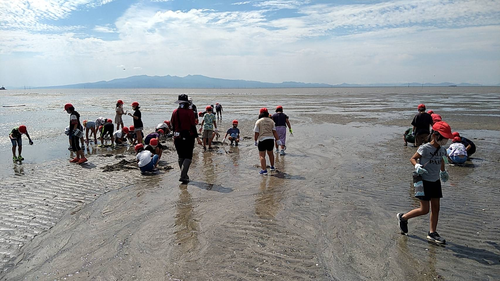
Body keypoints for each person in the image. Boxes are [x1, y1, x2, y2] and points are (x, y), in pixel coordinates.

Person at [397, 121, 453, 244]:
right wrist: (416, 166)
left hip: (435, 181)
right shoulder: (425, 148)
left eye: (447, 139)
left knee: (436, 208)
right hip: (423, 181)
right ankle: (403, 217)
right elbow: (412, 158)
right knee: (425, 209)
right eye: (443, 138)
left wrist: (443, 172)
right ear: (435, 135)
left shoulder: (442, 150)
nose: (445, 141)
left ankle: (432, 233)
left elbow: (442, 160)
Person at [171, 94, 202, 183]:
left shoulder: (174, 112)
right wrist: (197, 138)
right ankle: (183, 175)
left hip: (177, 136)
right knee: (188, 156)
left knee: (181, 156)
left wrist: (174, 136)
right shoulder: (190, 112)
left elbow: (172, 125)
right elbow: (193, 126)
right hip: (188, 136)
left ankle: (184, 175)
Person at [254, 108, 282, 175]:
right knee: (271, 154)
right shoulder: (271, 121)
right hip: (270, 139)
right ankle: (272, 167)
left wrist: (255, 140)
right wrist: (278, 140)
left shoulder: (258, 121)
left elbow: (256, 133)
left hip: (262, 139)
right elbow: (274, 132)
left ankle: (264, 170)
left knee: (262, 155)